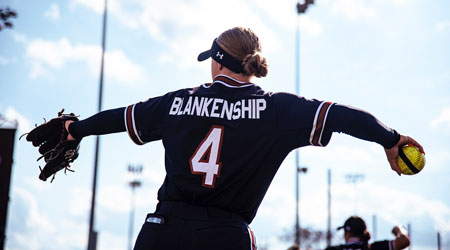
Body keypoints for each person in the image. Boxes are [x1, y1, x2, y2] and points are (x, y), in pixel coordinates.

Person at [62, 27, 423, 250]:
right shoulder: (277, 109)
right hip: (224, 234)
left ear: (217, 63)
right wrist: (389, 139)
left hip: (162, 231)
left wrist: (74, 130)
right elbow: (341, 115)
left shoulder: (177, 101)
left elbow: (119, 118)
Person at [325, 216, 410, 250]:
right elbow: (404, 241)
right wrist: (399, 229)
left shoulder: (335, 249)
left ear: (347, 234)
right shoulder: (375, 248)